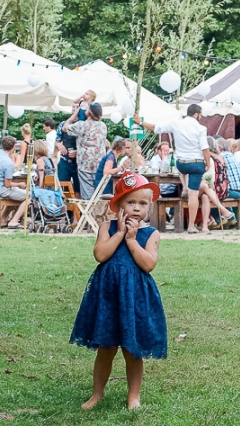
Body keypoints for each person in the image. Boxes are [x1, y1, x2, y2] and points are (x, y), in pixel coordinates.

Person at [70, 171, 166, 411]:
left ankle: (134, 396)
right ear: (119, 206)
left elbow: (148, 264)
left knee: (133, 351)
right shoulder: (107, 227)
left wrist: (133, 240)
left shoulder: (150, 234)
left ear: (149, 208)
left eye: (142, 204)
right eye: (130, 202)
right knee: (105, 348)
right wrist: (121, 234)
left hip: (134, 297)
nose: (136, 208)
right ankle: (97, 393)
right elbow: (101, 255)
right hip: (109, 296)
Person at [133, 105, 211, 234]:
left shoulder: (176, 124)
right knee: (194, 195)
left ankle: (185, 186)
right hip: (196, 163)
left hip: (182, 164)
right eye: (200, 115)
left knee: (181, 167)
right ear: (196, 114)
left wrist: (140, 122)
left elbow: (156, 128)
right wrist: (207, 163)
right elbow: (205, 148)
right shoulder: (201, 128)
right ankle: (191, 225)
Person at [67, 103, 108, 199]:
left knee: (87, 193)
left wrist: (74, 115)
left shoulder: (82, 125)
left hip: (84, 163)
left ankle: (88, 212)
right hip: (99, 162)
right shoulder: (103, 125)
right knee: (98, 193)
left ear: (89, 111)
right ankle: (96, 212)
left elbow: (65, 128)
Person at [0, 136, 27, 227]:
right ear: (13, 147)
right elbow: (7, 184)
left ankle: (3, 219)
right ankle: (14, 221)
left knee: (15, 193)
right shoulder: (8, 163)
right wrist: (19, 184)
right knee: (29, 196)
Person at [198, 137, 237, 228]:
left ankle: (217, 218)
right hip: (223, 189)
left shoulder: (208, 156)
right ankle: (205, 226)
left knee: (204, 187)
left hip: (216, 189)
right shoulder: (220, 156)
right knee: (205, 196)